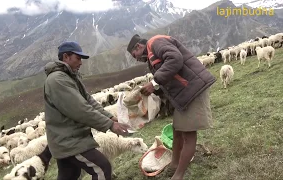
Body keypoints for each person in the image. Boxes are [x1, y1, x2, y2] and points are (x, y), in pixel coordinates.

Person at [127, 34, 216, 180]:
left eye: (134, 54)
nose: (135, 58)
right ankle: (174, 165)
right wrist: (153, 91)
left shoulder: (155, 43)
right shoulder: (151, 54)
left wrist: (154, 83)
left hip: (193, 88)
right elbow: (168, 76)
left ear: (138, 46)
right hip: (185, 92)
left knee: (188, 134)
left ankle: (178, 174)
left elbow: (175, 59)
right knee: (177, 129)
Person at [44, 41, 130, 180]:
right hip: (70, 140)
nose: (81, 62)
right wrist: (110, 125)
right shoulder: (57, 80)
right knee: (102, 168)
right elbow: (81, 109)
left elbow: (87, 100)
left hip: (67, 139)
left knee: (70, 175)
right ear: (66, 57)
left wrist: (109, 117)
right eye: (78, 58)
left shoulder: (69, 76)